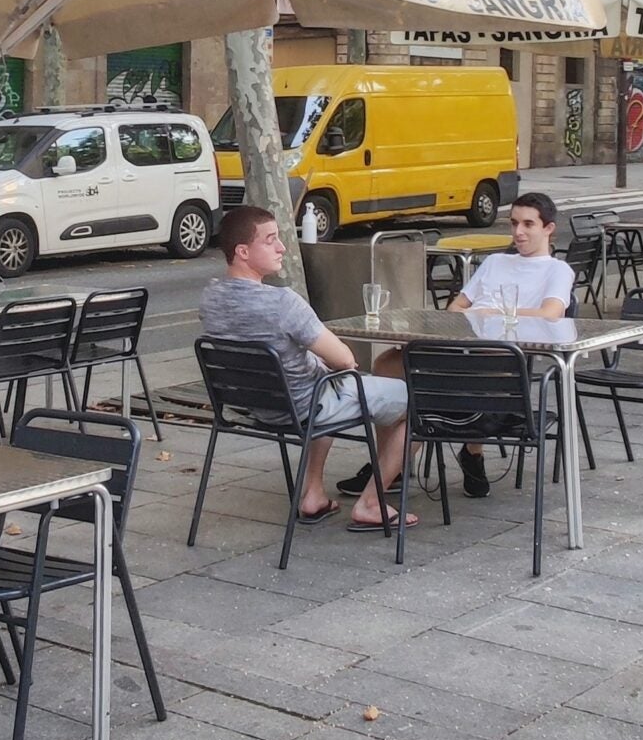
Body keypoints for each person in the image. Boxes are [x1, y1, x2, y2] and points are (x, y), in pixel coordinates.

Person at [202, 206, 413, 530]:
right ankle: (371, 503)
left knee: (319, 378)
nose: (282, 247)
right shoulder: (282, 302)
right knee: (414, 403)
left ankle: (312, 494)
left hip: (257, 404)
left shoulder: (210, 298)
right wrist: (336, 362)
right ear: (243, 252)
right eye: (270, 240)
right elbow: (343, 359)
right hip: (304, 405)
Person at [427, 193, 575, 498]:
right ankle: (397, 460)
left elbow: (551, 314)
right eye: (514, 223)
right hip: (465, 346)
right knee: (393, 362)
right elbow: (456, 309)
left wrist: (495, 313)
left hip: (506, 356)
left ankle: (459, 451)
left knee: (433, 391)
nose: (518, 232)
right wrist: (476, 317)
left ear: (548, 228)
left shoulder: (557, 270)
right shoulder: (495, 261)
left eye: (528, 224)